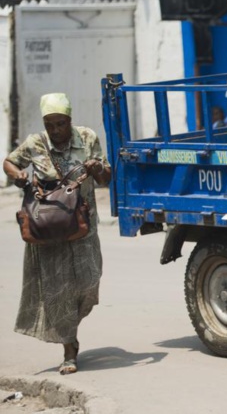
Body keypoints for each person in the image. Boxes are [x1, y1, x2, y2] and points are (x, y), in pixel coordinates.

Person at [3, 93, 111, 375]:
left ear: (70, 120)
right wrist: (18, 176)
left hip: (83, 223)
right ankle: (69, 348)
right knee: (58, 290)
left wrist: (97, 167)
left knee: (89, 281)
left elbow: (106, 177)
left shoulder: (87, 138)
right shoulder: (35, 143)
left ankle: (71, 326)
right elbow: (9, 162)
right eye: (50, 124)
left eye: (60, 124)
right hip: (47, 226)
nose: (55, 130)